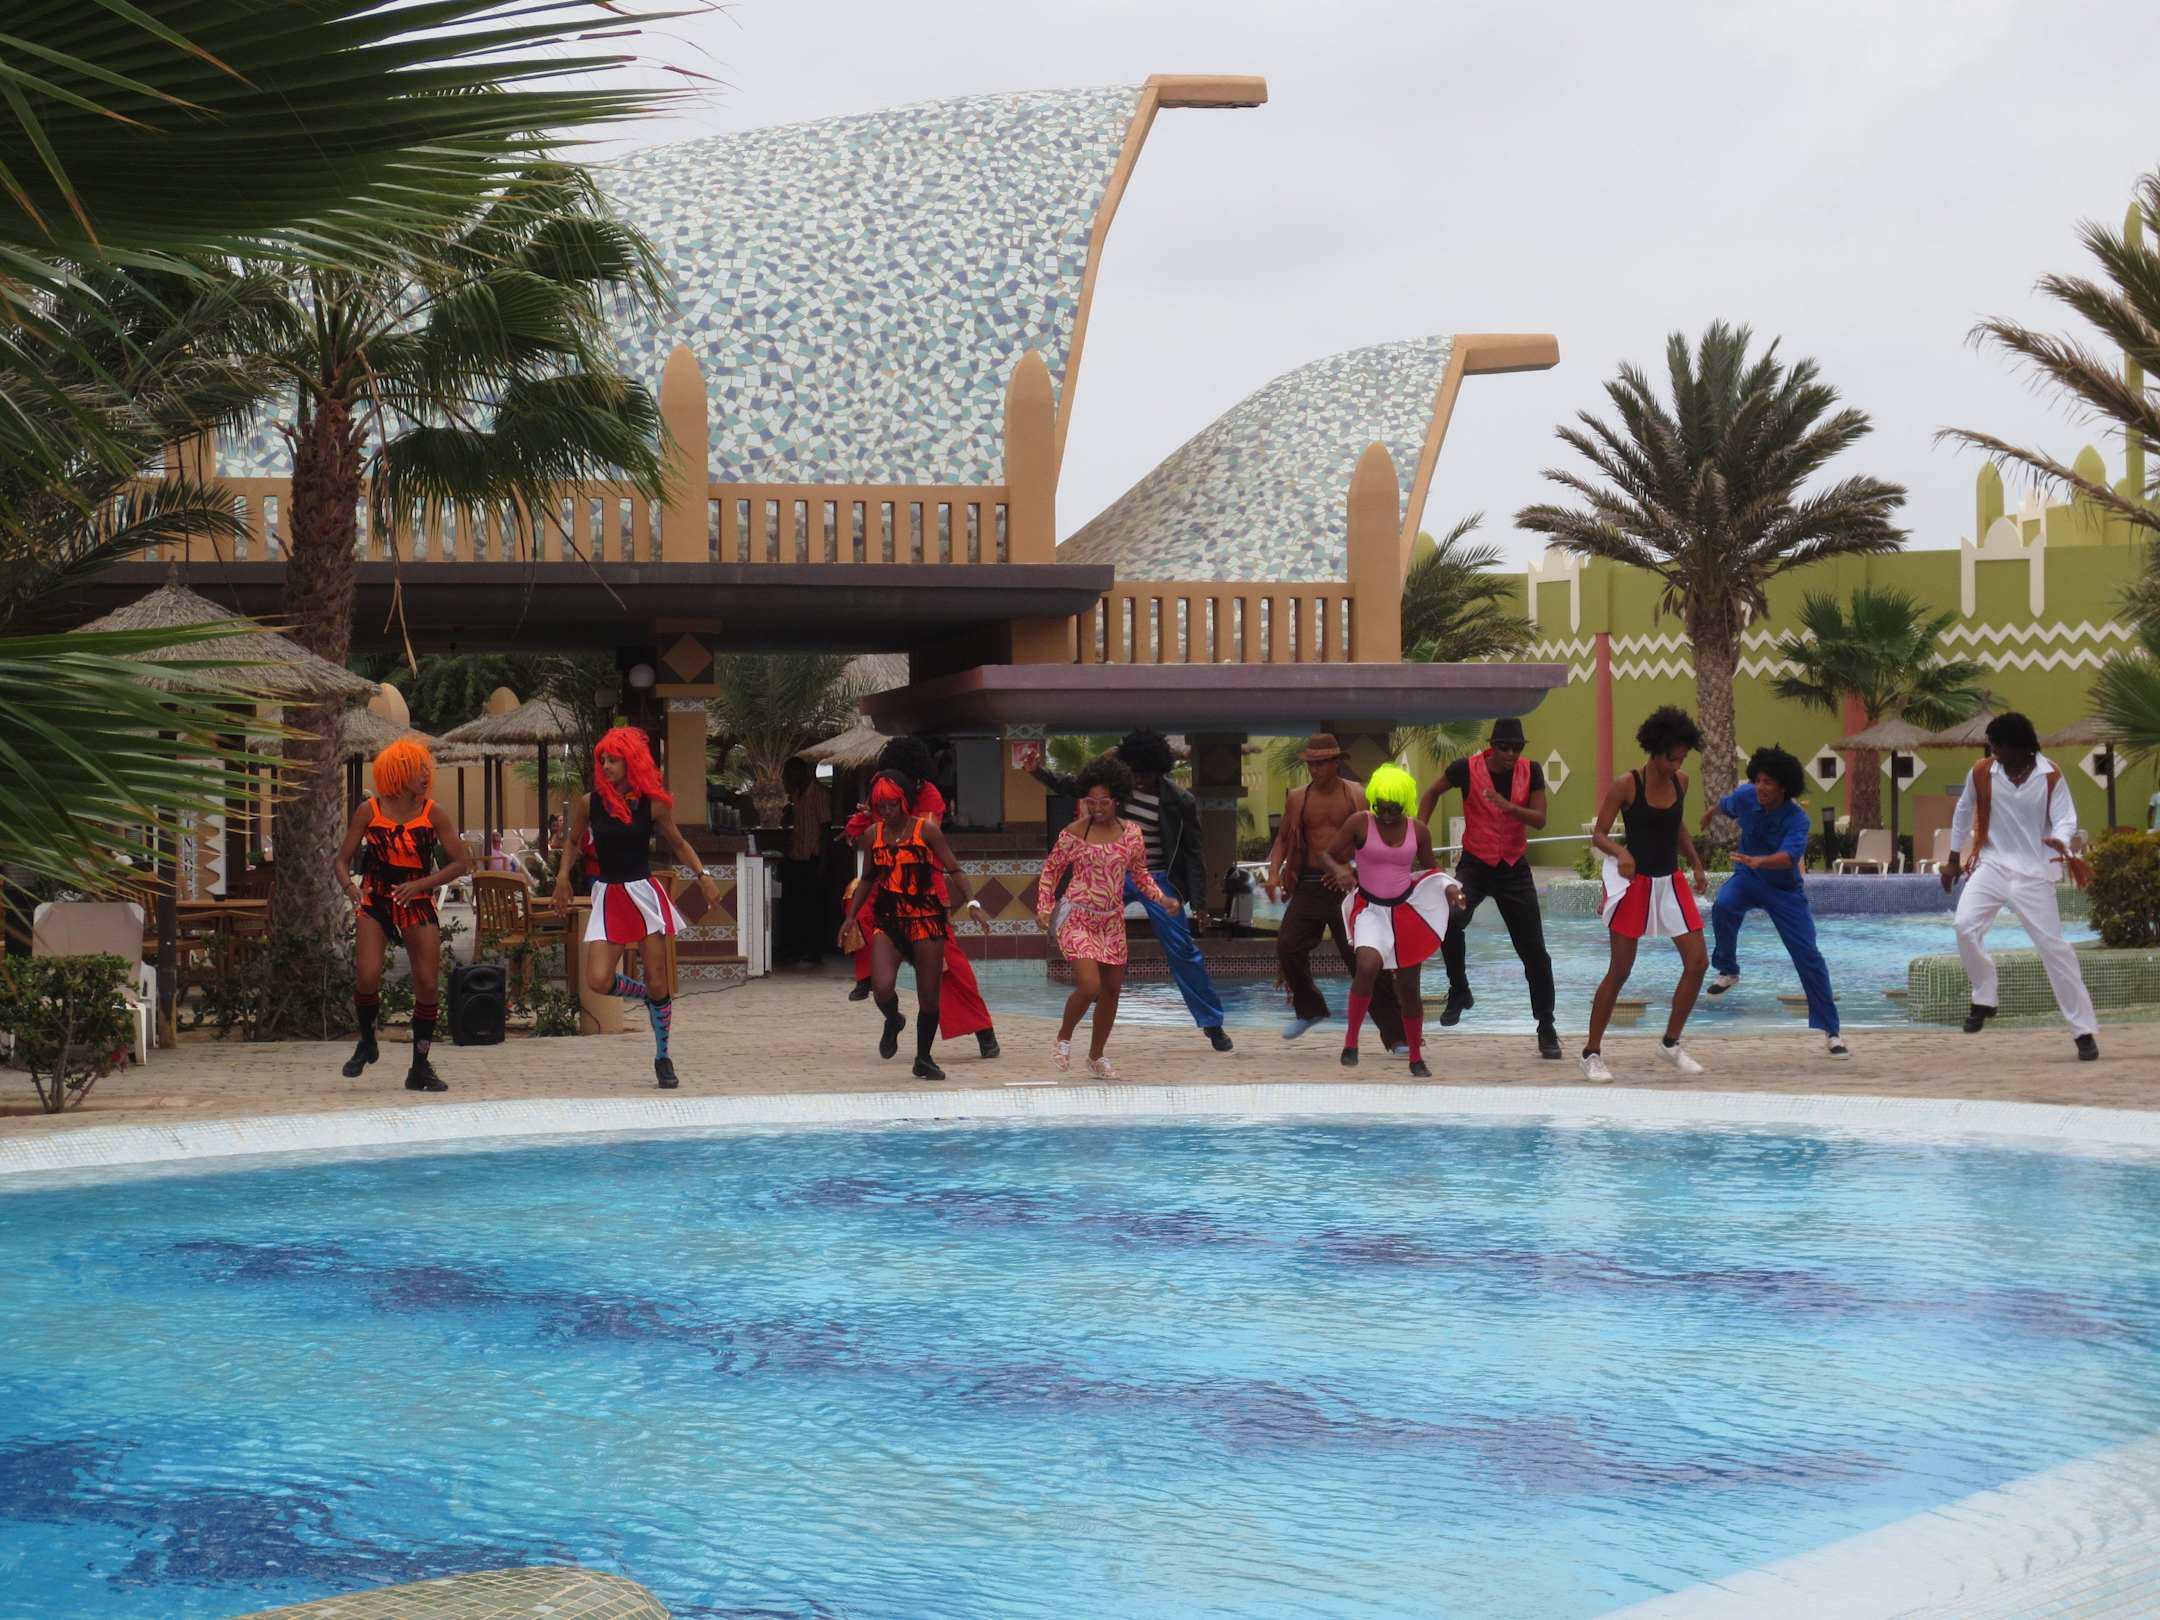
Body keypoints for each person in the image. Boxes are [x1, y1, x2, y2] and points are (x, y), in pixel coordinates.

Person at [1032, 728, 1233, 1053]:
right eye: (1135, 772)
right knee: (1085, 912)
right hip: (1112, 873)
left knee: (1182, 948)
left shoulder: (1179, 800)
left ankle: (1212, 1022)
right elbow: (1074, 785)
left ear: (1159, 770)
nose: (1140, 780)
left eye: (1146, 774)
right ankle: (1086, 976)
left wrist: (1199, 903)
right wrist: (1037, 771)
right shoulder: (1118, 790)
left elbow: (1194, 852)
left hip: (1155, 876)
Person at [552, 726, 721, 1089]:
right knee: (598, 979)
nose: (606, 766)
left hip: (643, 894)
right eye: (603, 760)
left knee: (659, 978)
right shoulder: (589, 803)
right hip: (609, 894)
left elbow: (679, 843)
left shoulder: (652, 803)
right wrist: (563, 875)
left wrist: (703, 875)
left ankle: (663, 1056)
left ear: (632, 762)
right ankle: (647, 997)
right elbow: (574, 842)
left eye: (613, 760)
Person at [1941, 711, 2100, 1060]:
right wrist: (1953, 859)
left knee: (2054, 950)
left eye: (1998, 745)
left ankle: (2083, 1031)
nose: (1993, 751)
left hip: (2034, 874)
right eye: (1991, 745)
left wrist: (2060, 840)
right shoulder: (1982, 772)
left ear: (2020, 747)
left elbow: (2066, 818)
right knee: (1964, 926)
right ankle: (1985, 997)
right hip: (1992, 865)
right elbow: (1963, 811)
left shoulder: (2049, 774)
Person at [840, 737, 1000, 1060]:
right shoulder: (883, 783)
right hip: (886, 887)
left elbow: (917, 840)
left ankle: (983, 1029)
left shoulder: (930, 797)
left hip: (924, 893)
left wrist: (970, 902)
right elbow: (874, 826)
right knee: (856, 907)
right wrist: (865, 820)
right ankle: (876, 994)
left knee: (951, 966)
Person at [1579, 707, 1712, 1082]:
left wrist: (1696, 863)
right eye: (1672, 758)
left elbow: (1677, 826)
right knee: (1620, 971)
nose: (1677, 765)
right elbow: (1599, 834)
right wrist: (1620, 852)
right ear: (1654, 750)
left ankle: (1670, 1043)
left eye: (1682, 758)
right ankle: (1591, 1053)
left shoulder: (1681, 781)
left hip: (1670, 882)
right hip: (1634, 884)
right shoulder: (1626, 785)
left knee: (1698, 963)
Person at [333, 738, 472, 1092]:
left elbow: (460, 863)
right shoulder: (369, 810)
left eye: (426, 770)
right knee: (367, 974)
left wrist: (421, 884)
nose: (425, 776)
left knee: (427, 983)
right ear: (396, 773)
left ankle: (419, 1067)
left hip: (417, 901)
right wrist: (351, 889)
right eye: (417, 770)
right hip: (376, 900)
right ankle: (367, 1041)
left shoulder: (433, 812)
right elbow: (341, 860)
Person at [1418, 716, 1561, 1059]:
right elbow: (1432, 792)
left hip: (1513, 868)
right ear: (1492, 747)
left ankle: (1546, 1025)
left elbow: (1540, 820)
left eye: (1517, 747)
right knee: (1450, 918)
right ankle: (1459, 989)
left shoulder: (1532, 771)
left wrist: (1511, 808)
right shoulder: (1465, 769)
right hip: (1476, 865)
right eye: (1504, 747)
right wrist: (1418, 832)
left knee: (1535, 952)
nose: (1511, 753)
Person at [1036, 754, 1178, 1080]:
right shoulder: (1074, 833)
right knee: (1090, 986)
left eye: (1104, 801)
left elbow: (1140, 875)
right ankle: (1063, 1038)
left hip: (1112, 922)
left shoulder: (1132, 834)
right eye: (1091, 801)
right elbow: (1051, 872)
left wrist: (1161, 898)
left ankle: (1096, 1056)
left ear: (1118, 799)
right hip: (1077, 916)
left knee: (1112, 991)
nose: (1096, 808)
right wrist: (1044, 907)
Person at [1701, 745, 1848, 1058]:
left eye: (1768, 782)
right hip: (1748, 878)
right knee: (1724, 904)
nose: (1760, 787)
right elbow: (1724, 805)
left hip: (1783, 889)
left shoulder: (1797, 820)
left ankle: (1832, 1031)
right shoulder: (1746, 796)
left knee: (1807, 955)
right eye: (1758, 780)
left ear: (1784, 786)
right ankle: (1728, 970)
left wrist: (1760, 861)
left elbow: (1787, 858)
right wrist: (1710, 814)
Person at [1265, 734, 1407, 1050]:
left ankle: (1397, 1035)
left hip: (1349, 886)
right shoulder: (1298, 798)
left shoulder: (1357, 795)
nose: (1314, 770)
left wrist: (1350, 869)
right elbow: (1284, 839)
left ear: (1335, 763)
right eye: (1311, 764)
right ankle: (1310, 1009)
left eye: (1320, 764)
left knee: (1365, 960)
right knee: (1287, 946)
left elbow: (1376, 840)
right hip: (1310, 882)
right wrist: (1274, 872)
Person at [1319, 764, 1460, 1078]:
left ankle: (1415, 1057)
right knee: (1367, 966)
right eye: (1379, 806)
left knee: (1409, 988)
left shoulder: (1418, 831)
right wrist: (1340, 870)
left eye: (1392, 808)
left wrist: (1451, 888)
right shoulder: (1360, 823)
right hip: (1370, 909)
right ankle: (1351, 1042)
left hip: (1405, 912)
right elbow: (1326, 855)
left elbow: (1431, 871)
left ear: (1404, 804)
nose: (1384, 814)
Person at [849, 768, 979, 1080]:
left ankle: (923, 1058)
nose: (887, 812)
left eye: (893, 805)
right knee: (881, 988)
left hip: (926, 919)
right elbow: (867, 878)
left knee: (929, 996)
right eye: (881, 806)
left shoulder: (926, 831)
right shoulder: (873, 835)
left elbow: (954, 869)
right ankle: (894, 1019)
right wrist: (850, 916)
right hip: (889, 920)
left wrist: (972, 902)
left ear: (904, 801)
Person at [776, 756, 832, 967]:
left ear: (800, 772)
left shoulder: (819, 795)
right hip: (796, 855)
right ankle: (794, 949)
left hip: (812, 857)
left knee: (812, 906)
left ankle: (814, 950)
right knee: (794, 905)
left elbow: (825, 829)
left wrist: (823, 861)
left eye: (789, 775)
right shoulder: (797, 796)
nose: (787, 780)